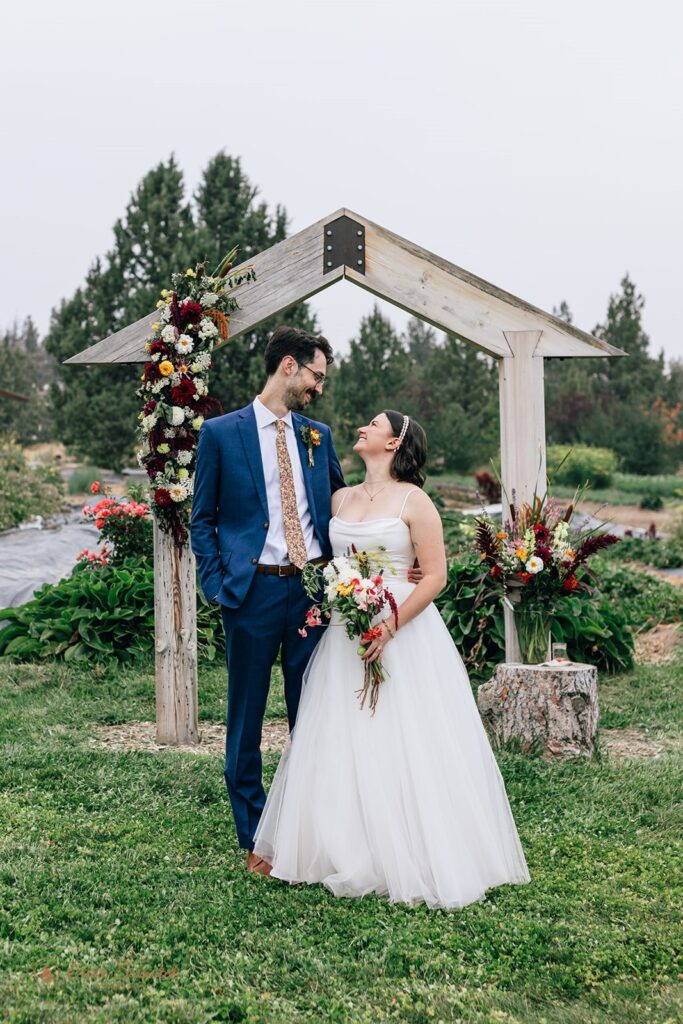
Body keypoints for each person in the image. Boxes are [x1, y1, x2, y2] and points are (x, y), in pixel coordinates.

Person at [252, 410, 531, 908]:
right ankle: (340, 843)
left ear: (395, 441)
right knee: (341, 731)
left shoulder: (416, 501)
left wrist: (389, 624)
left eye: (374, 425)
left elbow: (434, 576)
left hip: (402, 629)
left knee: (406, 735)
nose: (362, 428)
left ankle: (410, 847)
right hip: (345, 631)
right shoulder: (339, 497)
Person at [190, 325, 345, 875]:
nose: (318, 389)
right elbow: (201, 520)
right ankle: (256, 836)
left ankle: (309, 829)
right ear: (288, 366)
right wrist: (219, 586)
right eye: (315, 376)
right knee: (246, 715)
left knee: (315, 714)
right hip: (250, 591)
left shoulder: (318, 436)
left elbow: (338, 513)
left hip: (309, 595)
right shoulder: (220, 434)